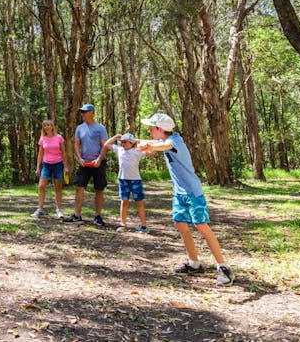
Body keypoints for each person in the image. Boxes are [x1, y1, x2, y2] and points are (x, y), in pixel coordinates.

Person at [136, 112, 234, 285]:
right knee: (180, 223)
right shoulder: (165, 139)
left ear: (159, 129)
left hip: (192, 192)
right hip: (179, 193)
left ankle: (223, 267)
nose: (150, 131)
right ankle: (194, 263)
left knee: (201, 226)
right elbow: (156, 144)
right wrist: (146, 145)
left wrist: (148, 146)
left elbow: (164, 146)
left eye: (152, 128)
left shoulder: (174, 142)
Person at [63, 104, 109, 226]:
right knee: (79, 187)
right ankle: (77, 216)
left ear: (92, 113)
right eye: (81, 112)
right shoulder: (80, 128)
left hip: (99, 163)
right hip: (84, 164)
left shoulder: (100, 128)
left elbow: (105, 145)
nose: (82, 114)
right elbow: (76, 144)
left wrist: (99, 159)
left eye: (85, 111)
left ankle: (98, 216)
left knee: (99, 189)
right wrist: (79, 158)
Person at [100, 132, 148, 232]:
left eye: (125, 142)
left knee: (139, 202)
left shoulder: (137, 151)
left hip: (135, 180)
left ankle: (143, 226)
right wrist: (115, 137)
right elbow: (106, 144)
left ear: (131, 143)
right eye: (122, 142)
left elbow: (151, 151)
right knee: (124, 201)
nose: (123, 144)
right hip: (123, 179)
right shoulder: (119, 150)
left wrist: (140, 141)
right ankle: (122, 224)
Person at [31, 119, 68, 219]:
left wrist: (66, 166)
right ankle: (40, 209)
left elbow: (64, 152)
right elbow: (40, 154)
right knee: (41, 186)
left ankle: (59, 210)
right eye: (45, 126)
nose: (47, 127)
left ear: (52, 127)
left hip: (58, 165)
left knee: (58, 188)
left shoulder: (59, 138)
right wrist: (38, 167)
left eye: (48, 125)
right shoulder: (42, 139)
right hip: (46, 165)